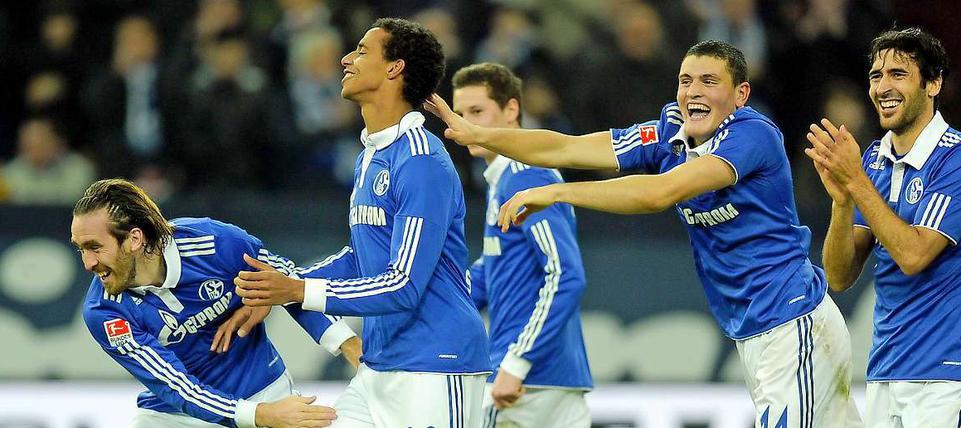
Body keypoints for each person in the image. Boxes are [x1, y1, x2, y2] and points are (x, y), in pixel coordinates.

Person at [426, 40, 863, 427]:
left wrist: (557, 190)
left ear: (740, 94)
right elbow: (566, 146)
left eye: (710, 81)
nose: (693, 91)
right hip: (756, 332)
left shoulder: (752, 135)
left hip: (792, 322)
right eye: (685, 80)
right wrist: (479, 133)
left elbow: (661, 192)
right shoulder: (668, 133)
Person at [232, 18, 491, 427]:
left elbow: (403, 284)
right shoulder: (370, 155)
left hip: (436, 368)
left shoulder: (422, 162)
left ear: (394, 68)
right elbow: (361, 258)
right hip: (378, 369)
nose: (346, 58)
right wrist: (278, 289)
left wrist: (299, 289)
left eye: (362, 51)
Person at [805, 27, 961, 427]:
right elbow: (839, 276)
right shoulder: (874, 160)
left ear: (933, 83)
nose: (882, 86)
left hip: (949, 375)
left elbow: (913, 255)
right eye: (876, 76)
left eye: (898, 74)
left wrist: (856, 182)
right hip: (886, 372)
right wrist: (842, 202)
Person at [75, 178, 360, 428]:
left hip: (265, 392)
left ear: (134, 239)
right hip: (175, 417)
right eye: (80, 249)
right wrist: (258, 416)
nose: (87, 264)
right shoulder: (104, 310)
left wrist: (348, 344)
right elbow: (175, 385)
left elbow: (290, 286)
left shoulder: (213, 242)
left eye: (95, 248)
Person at [451, 63, 592, 427]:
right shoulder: (505, 178)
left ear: (512, 110)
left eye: (477, 112)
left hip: (528, 385)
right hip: (553, 383)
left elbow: (565, 273)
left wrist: (516, 362)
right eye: (460, 114)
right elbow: (492, 269)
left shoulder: (524, 176)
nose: (465, 125)